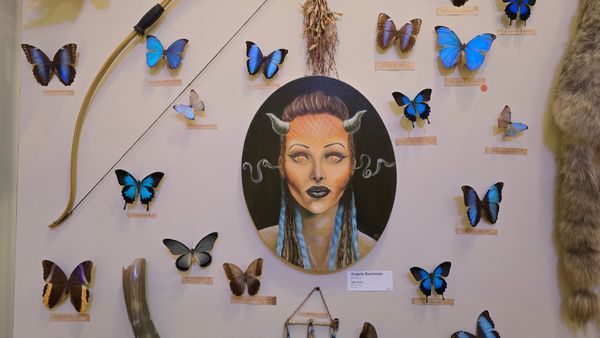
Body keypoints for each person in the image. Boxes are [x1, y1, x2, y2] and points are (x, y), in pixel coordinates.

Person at [259, 91, 375, 272]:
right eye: (300, 156)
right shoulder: (263, 242)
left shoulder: (369, 248)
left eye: (334, 156)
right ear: (282, 166)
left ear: (352, 165)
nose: (317, 174)